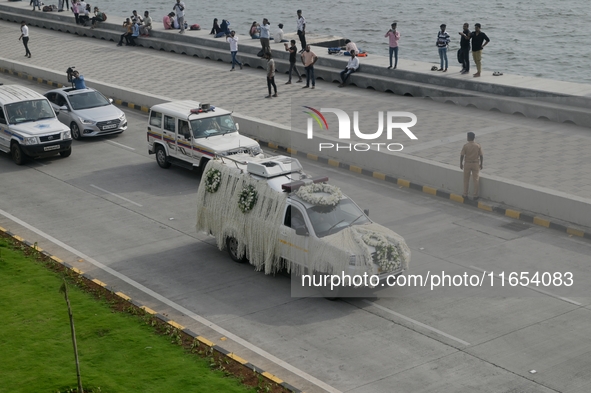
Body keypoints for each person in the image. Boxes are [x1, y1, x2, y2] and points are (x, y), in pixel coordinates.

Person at [460, 132, 483, 200]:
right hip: (475, 163)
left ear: (469, 138)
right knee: (476, 179)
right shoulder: (478, 145)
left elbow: (462, 155)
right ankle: (475, 195)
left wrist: (461, 163)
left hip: (467, 163)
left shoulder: (466, 146)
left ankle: (465, 194)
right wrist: (481, 164)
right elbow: (481, 155)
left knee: (466, 179)